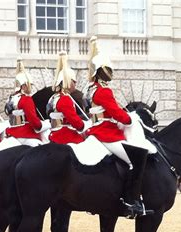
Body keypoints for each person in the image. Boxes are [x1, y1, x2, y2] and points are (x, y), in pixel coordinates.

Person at [84, 36, 156, 218]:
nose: (111, 72)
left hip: (96, 129)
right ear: (101, 71)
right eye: (108, 69)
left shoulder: (91, 89)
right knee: (135, 159)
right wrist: (129, 119)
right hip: (106, 133)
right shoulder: (104, 90)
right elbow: (117, 113)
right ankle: (130, 201)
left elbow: (105, 111)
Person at [47, 52, 88, 144]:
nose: (75, 84)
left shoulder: (54, 97)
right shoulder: (65, 99)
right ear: (68, 82)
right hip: (65, 136)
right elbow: (76, 123)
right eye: (74, 81)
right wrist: (85, 125)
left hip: (54, 134)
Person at [5, 58, 45, 147]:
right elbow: (34, 122)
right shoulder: (26, 99)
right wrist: (42, 125)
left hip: (12, 133)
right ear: (24, 85)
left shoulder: (10, 99)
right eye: (30, 85)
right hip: (26, 134)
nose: (31, 88)